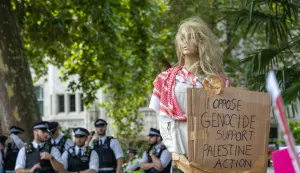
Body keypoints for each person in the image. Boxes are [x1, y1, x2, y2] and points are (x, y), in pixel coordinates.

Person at [149, 16, 231, 172]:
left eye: (191, 37)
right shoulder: (166, 79)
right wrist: (176, 154)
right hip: (181, 158)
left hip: (211, 157)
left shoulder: (218, 80)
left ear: (201, 41)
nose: (185, 42)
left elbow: (225, 120)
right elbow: (163, 120)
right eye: (182, 38)